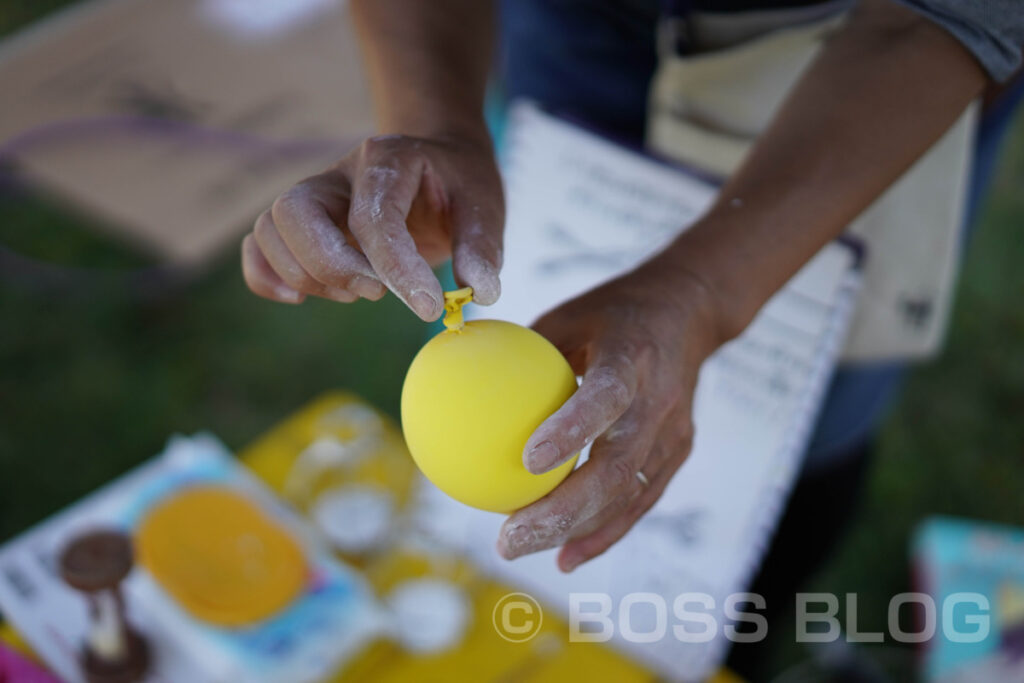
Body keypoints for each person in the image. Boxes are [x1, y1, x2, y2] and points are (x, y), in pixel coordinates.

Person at [241, 0, 1023, 675]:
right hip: (578, 29)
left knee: (799, 419)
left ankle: (729, 650)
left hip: (864, 72)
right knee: (599, 342)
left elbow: (956, 14)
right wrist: (431, 119)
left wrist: (707, 293)